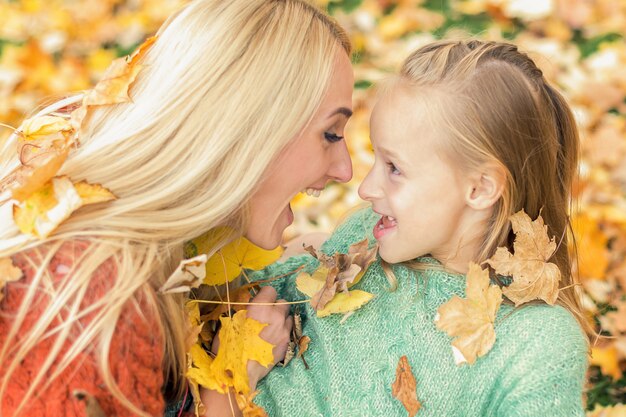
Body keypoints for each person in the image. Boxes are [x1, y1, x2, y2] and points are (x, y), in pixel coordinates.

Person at [0, 0, 353, 416]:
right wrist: (232, 384)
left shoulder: (82, 173)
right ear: (244, 132)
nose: (346, 170)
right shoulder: (102, 307)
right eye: (330, 134)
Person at [245, 40, 589, 417]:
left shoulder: (535, 342)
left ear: (479, 188)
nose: (365, 188)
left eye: (394, 169)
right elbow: (250, 305)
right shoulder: (367, 236)